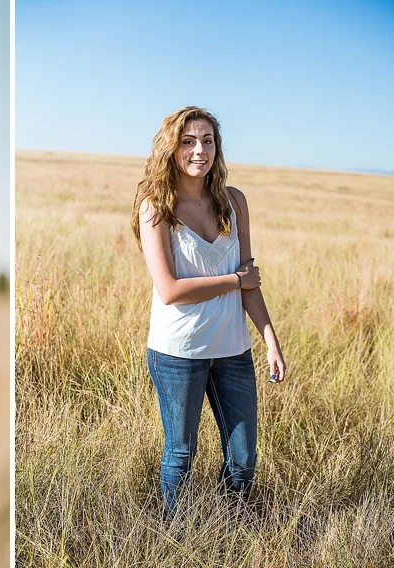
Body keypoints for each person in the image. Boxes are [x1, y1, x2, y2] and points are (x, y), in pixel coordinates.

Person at [130, 106, 287, 519]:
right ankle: (176, 537)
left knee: (244, 457)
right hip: (178, 352)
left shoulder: (233, 202)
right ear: (171, 148)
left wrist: (270, 341)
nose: (200, 150)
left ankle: (228, 528)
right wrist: (235, 281)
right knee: (180, 454)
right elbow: (170, 291)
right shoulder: (156, 207)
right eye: (188, 141)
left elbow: (250, 279)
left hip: (233, 350)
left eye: (208, 141)